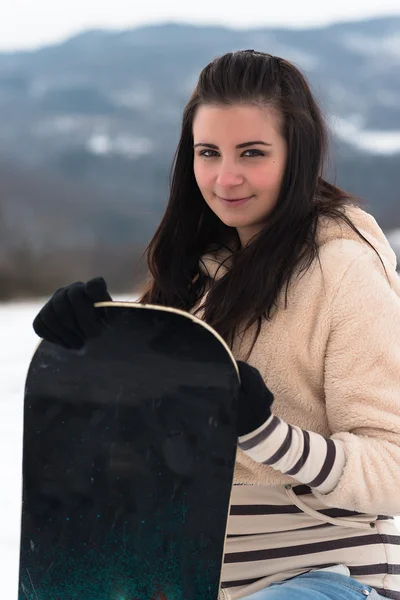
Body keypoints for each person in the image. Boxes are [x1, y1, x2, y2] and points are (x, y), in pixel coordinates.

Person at [32, 50, 400, 600]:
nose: (226, 177)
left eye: (252, 153)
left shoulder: (344, 269)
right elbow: (143, 458)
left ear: (296, 155)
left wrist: (266, 434)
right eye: (209, 153)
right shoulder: (195, 277)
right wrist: (99, 358)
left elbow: (392, 468)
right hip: (186, 577)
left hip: (324, 578)